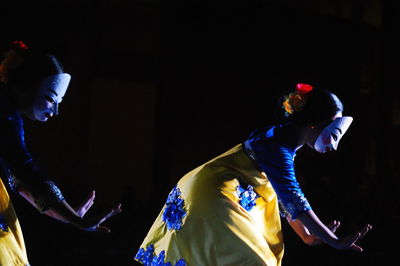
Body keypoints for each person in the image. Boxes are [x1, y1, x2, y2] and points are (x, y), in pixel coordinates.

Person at [134, 83, 372, 266]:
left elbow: (284, 198)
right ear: (313, 124)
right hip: (216, 196)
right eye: (332, 127)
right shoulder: (277, 147)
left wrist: (307, 236)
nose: (333, 143)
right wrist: (334, 241)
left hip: (209, 189)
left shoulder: (281, 140)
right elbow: (294, 199)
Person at [0, 41, 122, 265]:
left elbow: (20, 184)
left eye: (59, 102)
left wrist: (69, 217)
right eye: (49, 98)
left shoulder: (12, 117)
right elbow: (26, 169)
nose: (54, 110)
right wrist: (74, 219)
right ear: (25, 87)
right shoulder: (4, 116)